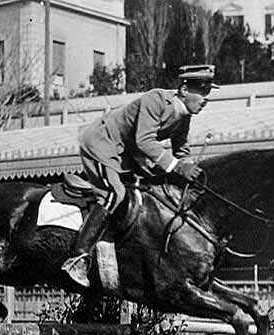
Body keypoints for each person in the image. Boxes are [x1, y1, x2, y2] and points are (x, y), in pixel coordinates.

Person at [61, 64, 219, 287]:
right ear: (184, 89)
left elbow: (181, 150)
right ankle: (78, 257)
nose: (205, 99)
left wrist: (189, 168)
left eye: (208, 93)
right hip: (102, 142)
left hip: (127, 153)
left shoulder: (184, 117)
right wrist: (176, 166)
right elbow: (144, 141)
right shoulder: (155, 100)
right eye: (202, 92)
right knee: (115, 193)